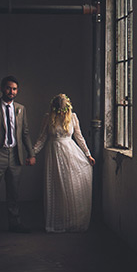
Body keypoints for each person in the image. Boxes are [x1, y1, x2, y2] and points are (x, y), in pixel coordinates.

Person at [0, 76, 36, 240]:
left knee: (14, 193)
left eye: (15, 89)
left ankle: (15, 224)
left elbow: (25, 133)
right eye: (9, 88)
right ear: (2, 88)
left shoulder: (21, 109)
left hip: (15, 156)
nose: (12, 92)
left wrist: (30, 153)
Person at [33, 94, 95, 233]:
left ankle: (74, 220)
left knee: (71, 186)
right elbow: (42, 138)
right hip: (54, 154)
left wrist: (88, 154)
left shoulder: (73, 117)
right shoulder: (48, 118)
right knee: (57, 187)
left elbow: (79, 137)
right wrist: (33, 153)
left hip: (70, 153)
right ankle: (59, 221)